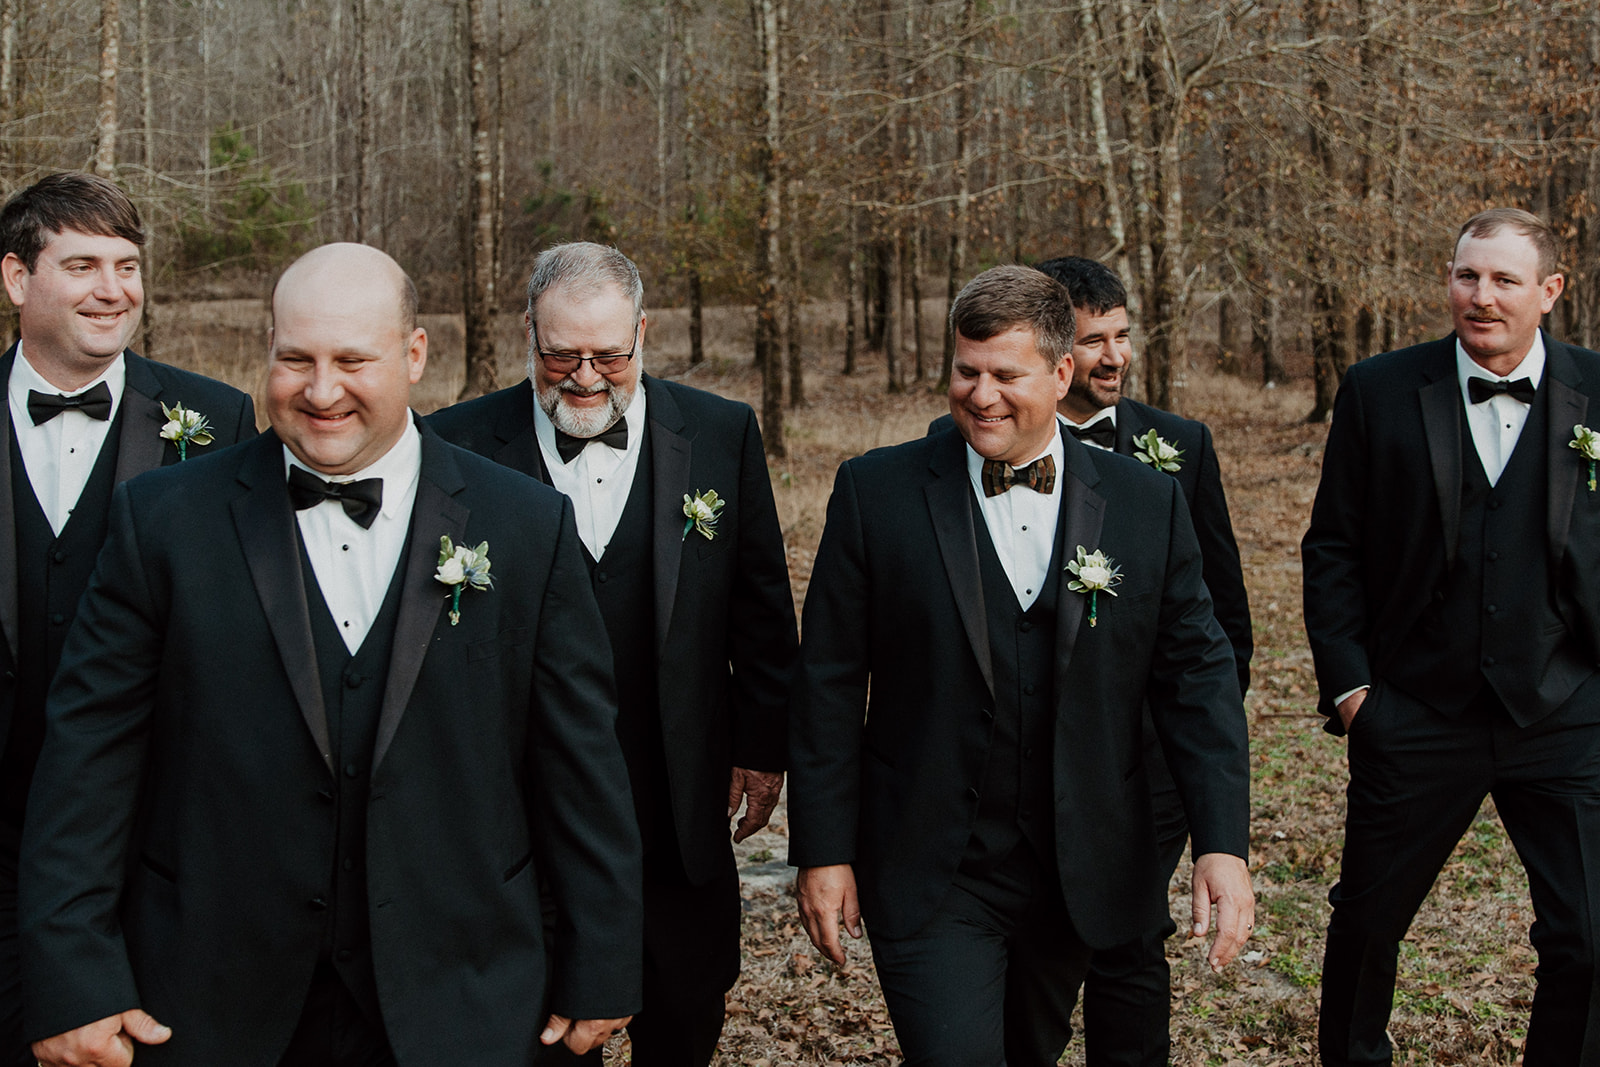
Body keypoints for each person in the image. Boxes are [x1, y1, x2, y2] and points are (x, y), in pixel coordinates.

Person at [19, 242, 642, 1066]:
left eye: (352, 359)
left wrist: (601, 961)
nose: (321, 391)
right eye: (295, 359)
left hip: (467, 998)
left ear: (415, 355)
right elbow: (88, 760)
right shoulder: (162, 521)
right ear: (266, 350)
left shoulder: (525, 524)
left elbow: (582, 766)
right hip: (212, 1003)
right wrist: (75, 978)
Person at [789, 264, 1254, 1067]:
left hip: (1081, 866)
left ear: (1061, 371)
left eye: (1006, 374)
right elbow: (829, 680)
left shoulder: (1146, 504)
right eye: (966, 371)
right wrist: (822, 849)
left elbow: (1197, 680)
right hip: (934, 862)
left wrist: (1223, 842)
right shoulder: (876, 493)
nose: (981, 394)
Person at [428, 241, 797, 1066]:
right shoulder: (451, 443)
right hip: (517, 803)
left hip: (678, 793)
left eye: (609, 353)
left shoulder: (719, 431)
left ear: (644, 332)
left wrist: (761, 749)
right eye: (561, 353)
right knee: (542, 1029)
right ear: (528, 333)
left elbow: (760, 607)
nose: (586, 375)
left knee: (686, 1009)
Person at [1303, 208, 1600, 1065]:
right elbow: (1334, 546)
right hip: (1416, 709)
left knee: (1588, 934)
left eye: (1505, 279)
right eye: (1467, 275)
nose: (1482, 296)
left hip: (1564, 707)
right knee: (1365, 925)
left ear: (1549, 291)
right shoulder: (1380, 388)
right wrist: (1354, 689)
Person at [0, 171, 256, 1067]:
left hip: (152, 843)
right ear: (15, 279)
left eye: (128, 265)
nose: (114, 290)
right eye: (81, 265)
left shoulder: (217, 420)